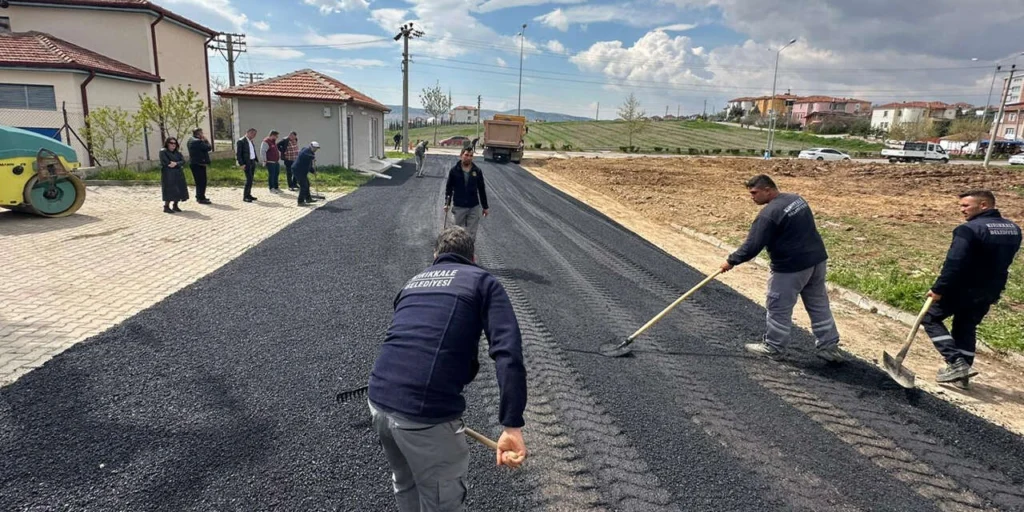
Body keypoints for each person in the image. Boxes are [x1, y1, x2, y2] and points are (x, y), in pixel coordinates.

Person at [367, 226, 528, 512]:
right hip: (424, 415)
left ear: (435, 256)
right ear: (473, 258)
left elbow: (409, 338)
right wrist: (511, 424)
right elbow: (508, 352)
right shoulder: (483, 281)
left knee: (405, 484)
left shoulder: (413, 282)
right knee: (443, 502)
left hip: (378, 400)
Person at [720, 174, 844, 362]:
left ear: (768, 190)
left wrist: (731, 261)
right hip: (816, 261)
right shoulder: (796, 200)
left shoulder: (769, 214)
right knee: (818, 304)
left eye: (754, 193)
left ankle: (774, 347)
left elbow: (752, 246)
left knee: (777, 305)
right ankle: (829, 347)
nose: (752, 197)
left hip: (791, 267)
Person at [922, 190, 1021, 386]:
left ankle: (955, 362)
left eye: (966, 205)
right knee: (966, 325)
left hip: (962, 287)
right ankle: (963, 376)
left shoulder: (968, 230)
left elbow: (954, 262)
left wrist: (939, 289)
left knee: (930, 317)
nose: (962, 210)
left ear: (983, 205)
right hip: (990, 289)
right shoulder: (1013, 229)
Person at [444, 146, 489, 240]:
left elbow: (481, 189)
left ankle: (469, 248)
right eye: (466, 155)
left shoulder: (477, 171)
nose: (468, 157)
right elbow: (449, 188)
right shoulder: (454, 171)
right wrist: (447, 203)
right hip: (459, 206)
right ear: (461, 155)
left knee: (471, 234)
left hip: (473, 206)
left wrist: (485, 207)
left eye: (471, 156)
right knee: (455, 233)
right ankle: (455, 248)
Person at [159, 137, 188, 214]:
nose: (173, 145)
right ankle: (166, 206)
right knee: (169, 189)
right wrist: (176, 164)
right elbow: (166, 162)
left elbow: (183, 161)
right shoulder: (163, 151)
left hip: (178, 173)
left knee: (179, 188)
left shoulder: (177, 152)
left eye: (175, 143)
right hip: (168, 173)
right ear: (167, 143)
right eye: (171, 143)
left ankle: (175, 205)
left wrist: (176, 163)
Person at [186, 128, 212, 204]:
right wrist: (206, 140)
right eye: (201, 133)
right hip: (199, 164)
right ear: (199, 133)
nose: (202, 134)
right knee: (202, 182)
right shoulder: (198, 141)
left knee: (199, 182)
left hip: (194, 163)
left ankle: (200, 196)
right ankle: (201, 198)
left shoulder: (190, 140)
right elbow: (208, 148)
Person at [293, 141, 320, 206]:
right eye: (314, 148)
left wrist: (313, 171)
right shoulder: (305, 151)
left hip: (303, 172)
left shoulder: (311, 153)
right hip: (298, 170)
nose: (315, 149)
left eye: (316, 148)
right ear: (311, 146)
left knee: (307, 184)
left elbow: (309, 165)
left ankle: (308, 199)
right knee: (304, 186)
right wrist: (312, 157)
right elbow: (304, 154)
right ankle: (300, 201)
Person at [236, 128, 259, 202]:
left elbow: (252, 151)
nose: (254, 136)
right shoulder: (241, 141)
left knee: (251, 179)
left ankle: (249, 194)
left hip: (252, 161)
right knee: (249, 179)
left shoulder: (250, 141)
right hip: (246, 163)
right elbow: (238, 154)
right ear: (249, 133)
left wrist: (255, 160)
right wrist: (241, 164)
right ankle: (245, 196)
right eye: (253, 134)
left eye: (255, 134)